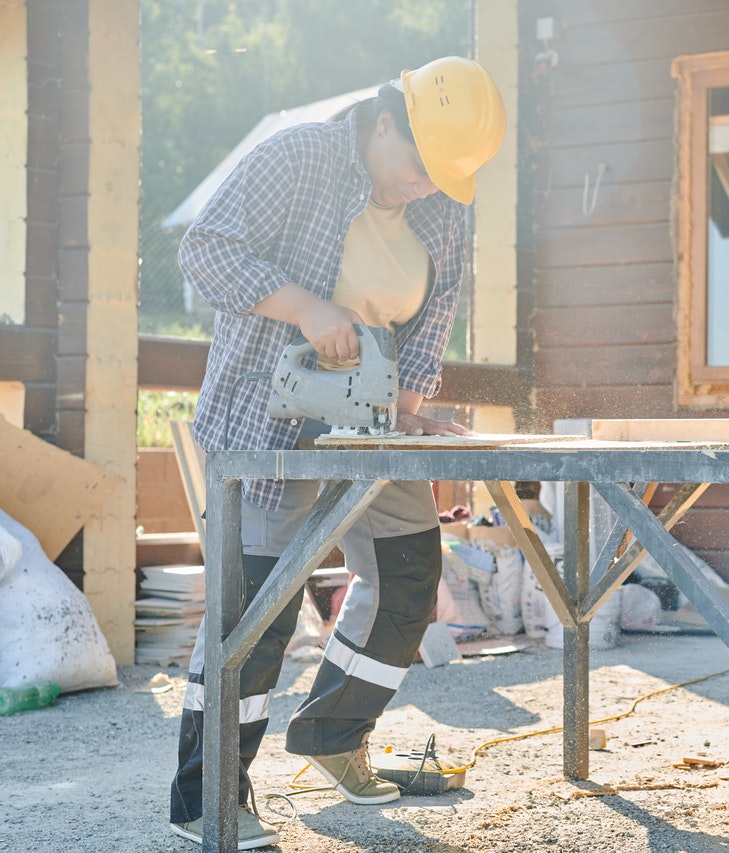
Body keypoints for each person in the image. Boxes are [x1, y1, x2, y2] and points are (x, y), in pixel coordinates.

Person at [167, 56, 505, 849]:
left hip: (371, 424)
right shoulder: (298, 156)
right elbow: (205, 252)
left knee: (409, 576)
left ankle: (331, 733)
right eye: (415, 165)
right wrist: (306, 307)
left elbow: (428, 327)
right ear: (385, 120)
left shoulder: (442, 209)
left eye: (438, 177)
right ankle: (204, 795)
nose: (421, 184)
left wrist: (412, 415)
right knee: (255, 613)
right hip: (266, 418)